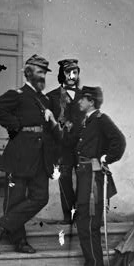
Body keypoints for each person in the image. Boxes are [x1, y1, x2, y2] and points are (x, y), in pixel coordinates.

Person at [0, 54, 61, 254]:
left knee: (40, 197)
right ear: (28, 72)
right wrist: (16, 124)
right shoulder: (17, 94)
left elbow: (51, 133)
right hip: (20, 155)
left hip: (41, 158)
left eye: (44, 72)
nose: (42, 75)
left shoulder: (45, 100)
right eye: (39, 71)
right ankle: (20, 242)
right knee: (15, 199)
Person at [73, 86, 126, 266]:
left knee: (89, 221)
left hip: (94, 178)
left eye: (82, 99)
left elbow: (119, 141)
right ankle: (92, 264)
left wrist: (105, 158)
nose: (79, 102)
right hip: (84, 175)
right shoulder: (87, 121)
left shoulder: (101, 119)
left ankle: (94, 265)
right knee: (84, 219)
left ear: (91, 101)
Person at [46, 58, 84, 225]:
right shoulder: (52, 97)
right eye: (67, 72)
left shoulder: (86, 97)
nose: (71, 75)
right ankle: (68, 216)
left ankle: (81, 215)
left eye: (74, 72)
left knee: (84, 180)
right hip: (62, 147)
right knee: (65, 180)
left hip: (82, 146)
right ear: (62, 75)